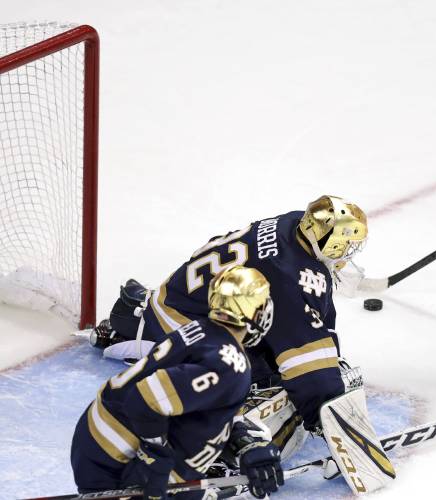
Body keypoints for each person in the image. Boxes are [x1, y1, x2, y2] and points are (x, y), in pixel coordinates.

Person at [90, 195, 368, 443]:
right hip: (185, 323)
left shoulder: (294, 225)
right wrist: (325, 412)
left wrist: (328, 352)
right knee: (264, 375)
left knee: (276, 347)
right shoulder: (290, 276)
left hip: (187, 298)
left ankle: (136, 323)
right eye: (346, 247)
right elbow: (306, 364)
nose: (348, 256)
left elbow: (311, 309)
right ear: (329, 245)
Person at [70, 265, 285, 498]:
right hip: (117, 458)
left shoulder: (201, 330)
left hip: (98, 439)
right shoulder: (230, 365)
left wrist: (245, 444)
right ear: (256, 312)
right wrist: (154, 459)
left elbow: (207, 406)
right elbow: (146, 397)